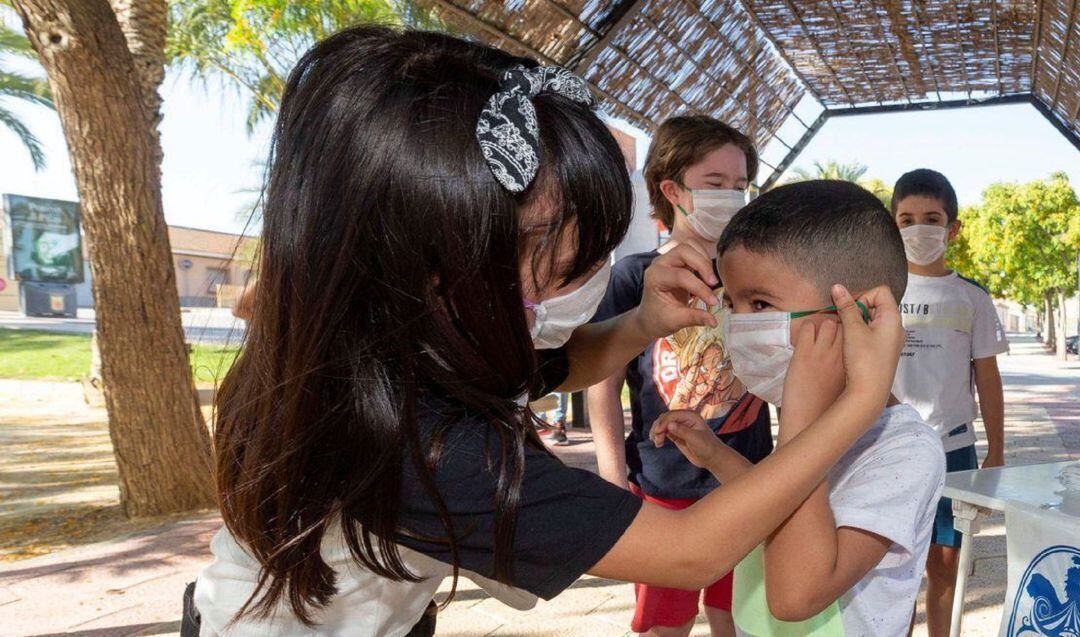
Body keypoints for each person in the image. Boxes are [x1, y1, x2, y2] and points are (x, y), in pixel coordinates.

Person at [192, 25, 907, 637]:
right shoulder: (419, 438)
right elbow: (691, 550)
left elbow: (558, 367)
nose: (586, 273)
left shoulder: (399, 343)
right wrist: (853, 403)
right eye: (559, 258)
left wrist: (643, 323)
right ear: (441, 257)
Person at [653, 180, 947, 637]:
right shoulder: (811, 418)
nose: (737, 324)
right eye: (732, 303)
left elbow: (797, 595)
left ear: (859, 313)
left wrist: (801, 419)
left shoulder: (906, 452)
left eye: (761, 303)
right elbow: (778, 498)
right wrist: (714, 455)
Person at [588, 115, 772, 637]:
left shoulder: (756, 275)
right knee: (664, 623)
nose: (731, 197)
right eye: (715, 185)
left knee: (738, 617)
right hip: (662, 485)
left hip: (746, 478)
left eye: (740, 187)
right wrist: (611, 472)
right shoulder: (634, 277)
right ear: (672, 189)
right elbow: (602, 381)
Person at [889, 168, 1009, 636]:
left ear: (952, 228)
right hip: (888, 447)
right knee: (890, 570)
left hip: (952, 450)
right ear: (892, 225)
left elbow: (987, 376)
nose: (919, 229)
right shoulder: (877, 295)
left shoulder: (972, 298)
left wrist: (995, 452)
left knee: (944, 565)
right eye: (906, 219)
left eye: (931, 218)